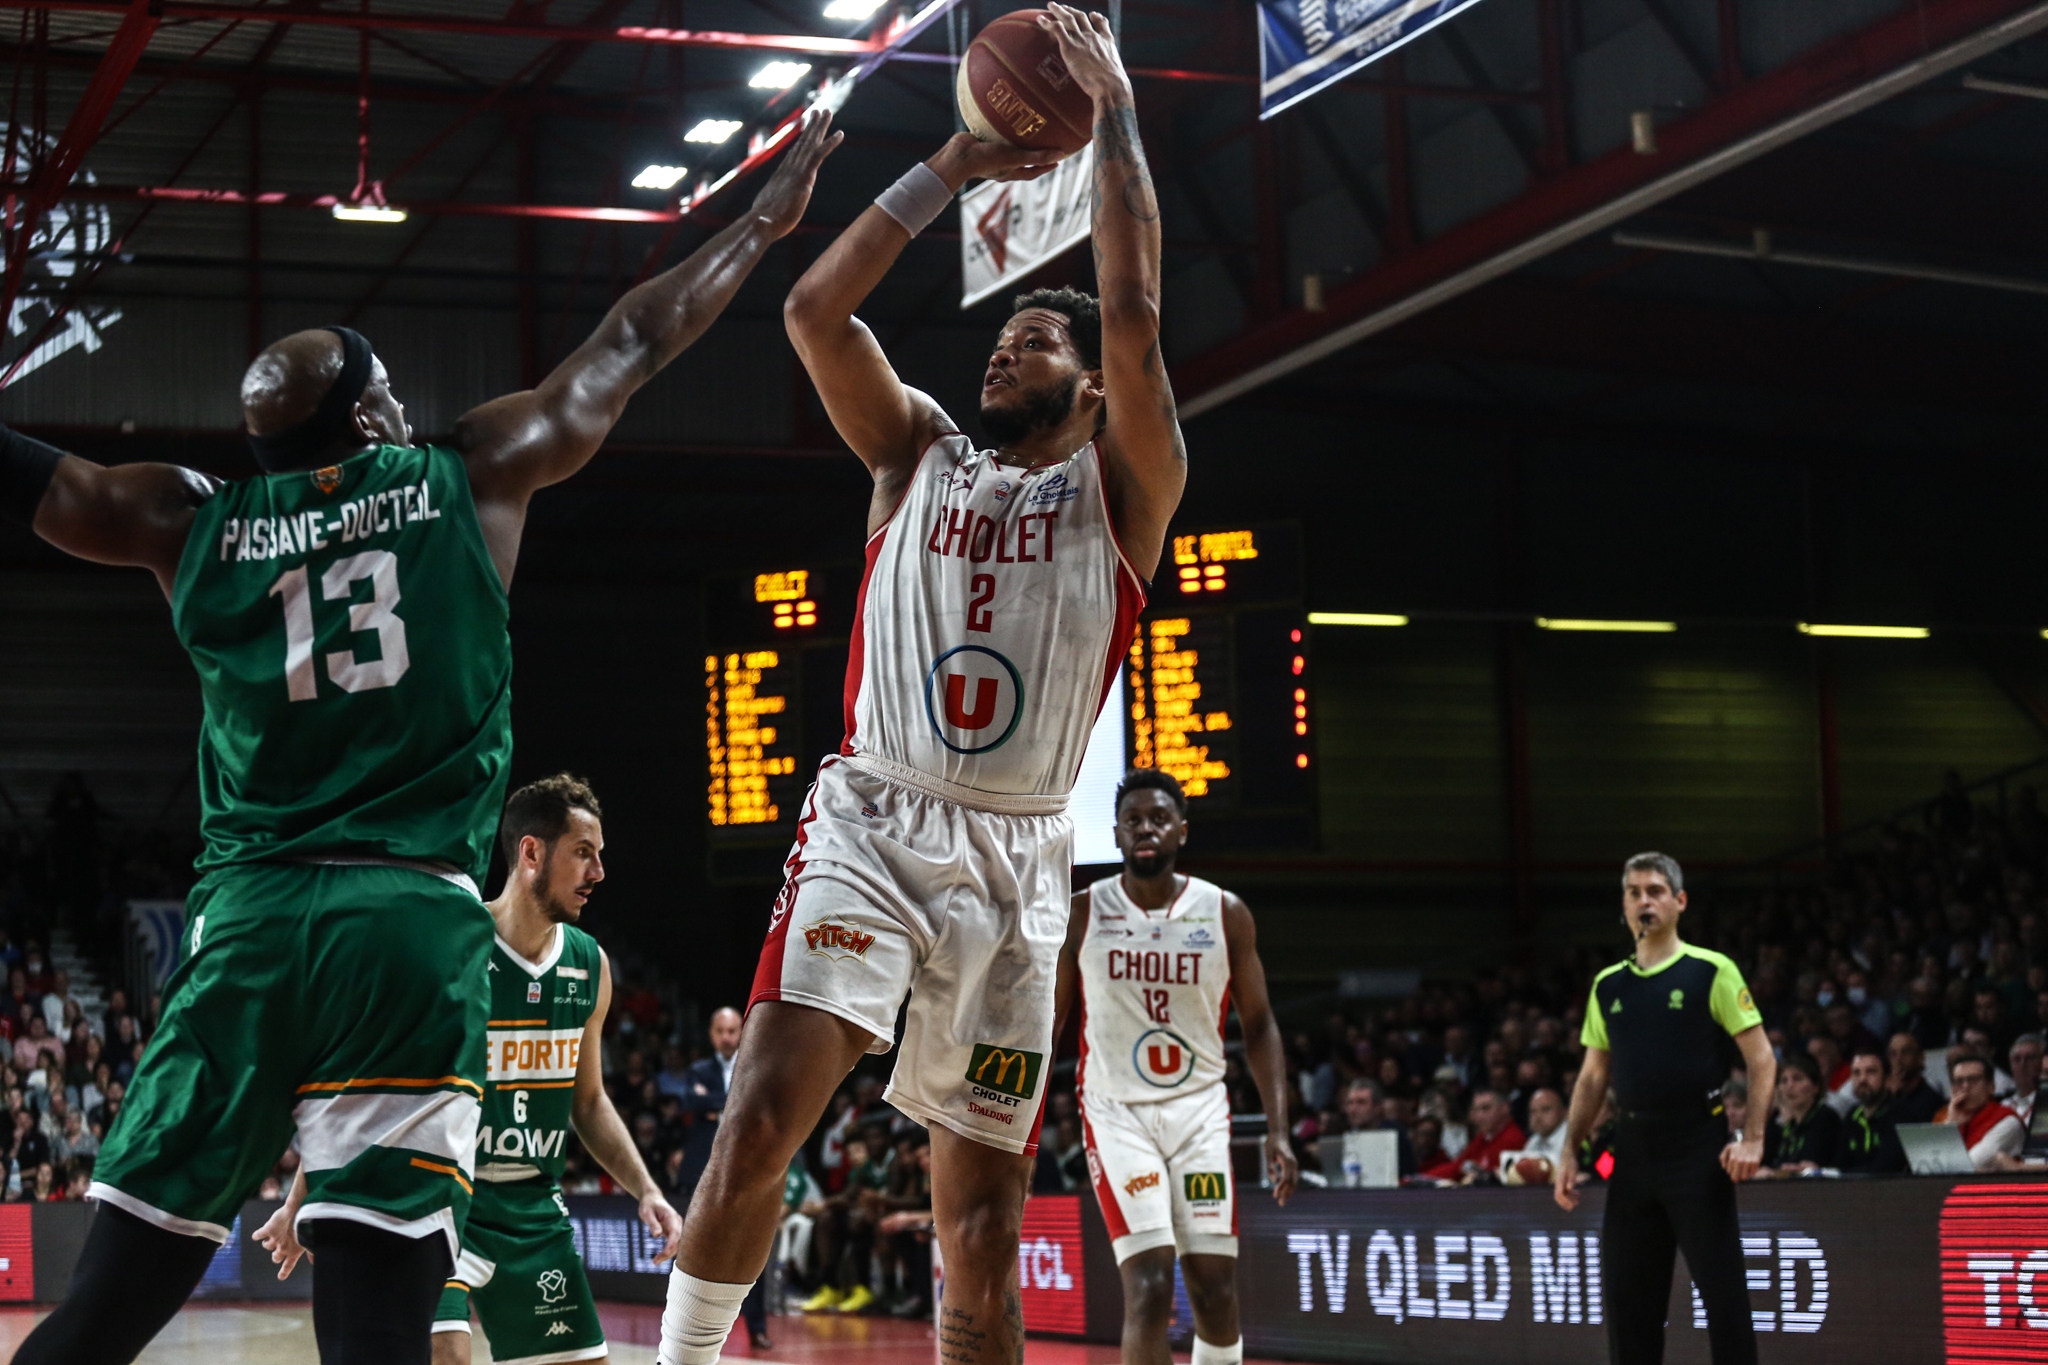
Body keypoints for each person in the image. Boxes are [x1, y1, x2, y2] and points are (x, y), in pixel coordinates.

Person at [0, 111, 840, 1365]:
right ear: (368, 418)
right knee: (382, 1321)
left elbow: (47, 486)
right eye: (387, 388)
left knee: (107, 1307)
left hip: (245, 926)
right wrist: (761, 226)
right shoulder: (468, 471)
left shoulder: (191, 521)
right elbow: (631, 340)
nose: (404, 402)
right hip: (403, 929)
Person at [658, 12, 1184, 1365]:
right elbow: (809, 309)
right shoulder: (916, 452)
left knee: (984, 1237)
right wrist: (953, 155)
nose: (1004, 351)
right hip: (876, 823)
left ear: (1087, 389)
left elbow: (1129, 308)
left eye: (1033, 344)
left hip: (1018, 868)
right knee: (763, 1119)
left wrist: (1114, 106)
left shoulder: (1125, 495)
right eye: (1000, 336)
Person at [255, 776, 684, 1365]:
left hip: (532, 1207)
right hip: (443, 1196)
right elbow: (375, 1083)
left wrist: (647, 1189)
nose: (599, 872)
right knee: (446, 1355)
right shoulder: (452, 949)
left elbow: (588, 1103)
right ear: (531, 852)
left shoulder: (590, 966)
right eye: (584, 852)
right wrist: (297, 1197)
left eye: (599, 855)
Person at [1056, 769, 1297, 1365]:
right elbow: (1049, 1025)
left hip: (1200, 1114)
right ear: (1115, 835)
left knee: (1215, 1290)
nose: (1146, 828)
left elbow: (1260, 1024)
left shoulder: (1225, 913)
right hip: (1117, 1114)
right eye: (1133, 820)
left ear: (1181, 832)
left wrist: (1279, 1129)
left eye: (1159, 818)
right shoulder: (1083, 914)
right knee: (1150, 1286)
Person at [1557, 852, 1775, 1365]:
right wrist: (1570, 1149)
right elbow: (1592, 1076)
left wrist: (1754, 1138)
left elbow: (1761, 1058)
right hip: (1632, 1152)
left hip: (1697, 1146)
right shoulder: (1607, 984)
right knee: (1630, 1305)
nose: (1643, 901)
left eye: (1655, 891)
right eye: (1633, 892)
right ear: (1623, 906)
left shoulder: (1710, 970)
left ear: (1679, 902)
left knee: (1724, 1303)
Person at [677, 1008, 770, 1347]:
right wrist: (732, 1104)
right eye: (721, 1031)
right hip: (700, 1171)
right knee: (688, 1248)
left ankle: (757, 1327)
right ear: (711, 1034)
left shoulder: (756, 1064)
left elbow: (757, 1106)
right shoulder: (698, 1070)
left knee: (750, 1250)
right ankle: (682, 1327)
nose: (728, 1037)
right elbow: (690, 1101)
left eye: (733, 1030)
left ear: (742, 1031)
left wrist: (714, 1106)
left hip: (746, 1173)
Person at [1943, 1049, 2025, 1170]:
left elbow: (1969, 1165)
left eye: (1973, 1080)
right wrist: (1950, 1123)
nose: (1965, 1087)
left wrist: (1950, 1129)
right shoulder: (1952, 1116)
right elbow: (1926, 1164)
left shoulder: (2008, 1122)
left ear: (1991, 1087)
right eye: (1959, 1081)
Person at [1762, 1052, 1841, 1174]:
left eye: (1797, 1079)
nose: (1790, 1086)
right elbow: (1766, 1161)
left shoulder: (1825, 1118)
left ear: (1816, 1087)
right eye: (1783, 1081)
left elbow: (1810, 1163)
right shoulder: (1783, 1123)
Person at [1835, 1048, 1905, 1174]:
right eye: (1856, 1073)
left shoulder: (1900, 1114)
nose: (1862, 1079)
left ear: (1887, 1078)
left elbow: (1886, 1169)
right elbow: (1840, 1166)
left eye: (1871, 1072)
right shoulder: (1852, 1116)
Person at [1338, 1078, 1416, 1177]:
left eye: (1361, 1102)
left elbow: (1408, 1176)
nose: (1353, 1109)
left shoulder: (1394, 1134)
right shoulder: (1344, 1134)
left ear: (1377, 1107)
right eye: (1350, 1103)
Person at [1451, 1089, 1525, 1180]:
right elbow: (1457, 1166)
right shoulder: (1483, 1137)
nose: (1479, 1116)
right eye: (1476, 1110)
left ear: (1505, 1108)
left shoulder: (1514, 1139)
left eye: (1486, 1108)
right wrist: (1429, 1176)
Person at [1524, 1088, 1567, 1163]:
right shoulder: (1533, 1141)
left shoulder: (1571, 1140)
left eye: (1545, 1110)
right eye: (1533, 1111)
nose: (1538, 1117)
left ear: (1564, 1112)